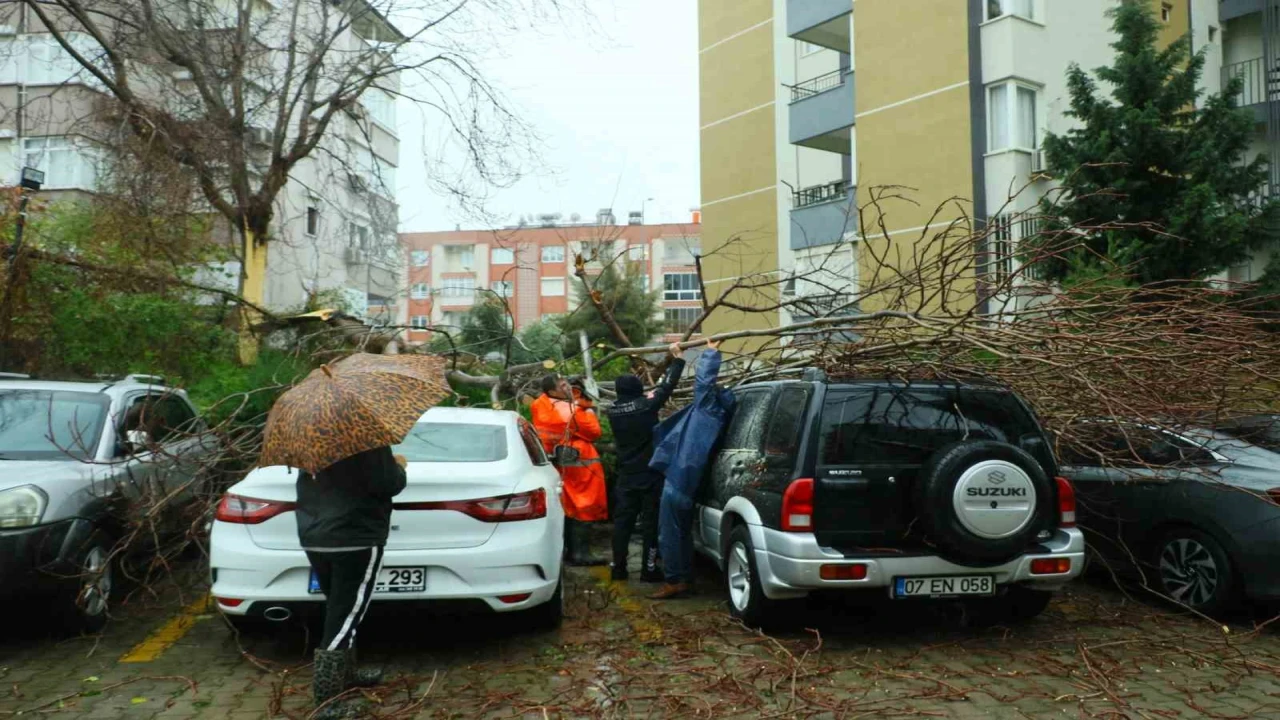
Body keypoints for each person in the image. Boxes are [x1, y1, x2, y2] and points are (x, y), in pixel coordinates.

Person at [296, 446, 407, 715]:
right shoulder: (369, 442)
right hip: (356, 538)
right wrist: (399, 468)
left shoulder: (308, 441)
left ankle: (346, 675)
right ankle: (327, 702)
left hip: (315, 537)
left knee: (338, 609)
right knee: (344, 618)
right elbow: (387, 484)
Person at [649, 339, 735, 600]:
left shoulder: (709, 410)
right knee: (681, 531)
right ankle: (684, 577)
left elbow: (705, 383)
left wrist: (710, 352)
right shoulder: (715, 414)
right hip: (686, 477)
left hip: (680, 477)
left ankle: (675, 580)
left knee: (670, 533)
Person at [605, 343, 687, 582]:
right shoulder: (646, 405)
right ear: (638, 388)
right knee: (651, 525)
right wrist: (678, 359)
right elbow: (666, 386)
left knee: (622, 524)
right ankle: (648, 570)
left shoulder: (613, 410)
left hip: (626, 476)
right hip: (650, 475)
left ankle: (618, 568)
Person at [531, 373, 609, 565]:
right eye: (563, 385)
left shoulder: (540, 404)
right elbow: (595, 432)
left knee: (568, 506)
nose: (567, 387)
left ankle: (568, 551)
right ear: (552, 391)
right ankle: (580, 554)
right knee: (584, 506)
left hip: (558, 462)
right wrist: (588, 409)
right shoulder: (571, 411)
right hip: (580, 465)